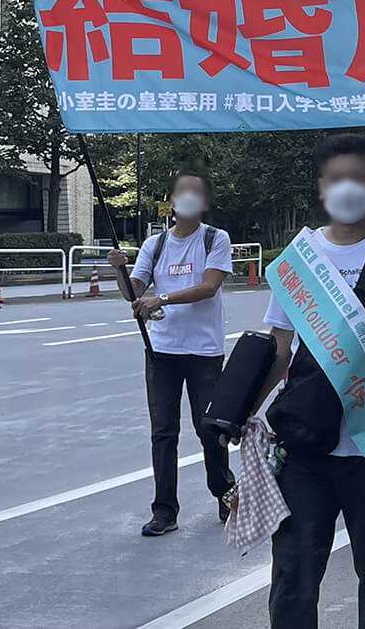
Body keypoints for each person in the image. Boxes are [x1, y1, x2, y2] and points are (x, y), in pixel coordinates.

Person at [243, 134, 365, 629]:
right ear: (321, 187)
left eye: (358, 178)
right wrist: (242, 409)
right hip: (306, 446)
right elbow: (279, 346)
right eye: (336, 179)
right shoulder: (300, 259)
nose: (347, 188)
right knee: (292, 577)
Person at [107, 172, 236, 537]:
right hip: (161, 350)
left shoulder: (215, 239)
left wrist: (160, 298)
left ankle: (225, 494)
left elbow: (209, 287)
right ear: (171, 201)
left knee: (209, 428)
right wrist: (120, 269)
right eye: (182, 193)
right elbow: (133, 291)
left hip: (203, 351)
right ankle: (164, 511)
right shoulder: (155, 244)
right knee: (163, 433)